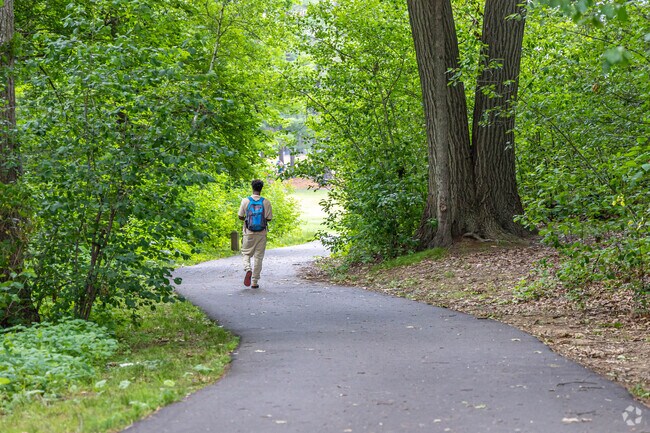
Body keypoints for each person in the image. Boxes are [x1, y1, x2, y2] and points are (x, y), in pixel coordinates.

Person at [238, 179, 273, 289]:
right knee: (258, 257)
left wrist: (246, 218)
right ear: (261, 188)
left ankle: (248, 269)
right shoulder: (266, 202)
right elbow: (269, 218)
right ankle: (254, 281)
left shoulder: (245, 201)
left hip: (248, 232)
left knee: (246, 253)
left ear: (252, 187)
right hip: (261, 233)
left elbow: (240, 216)